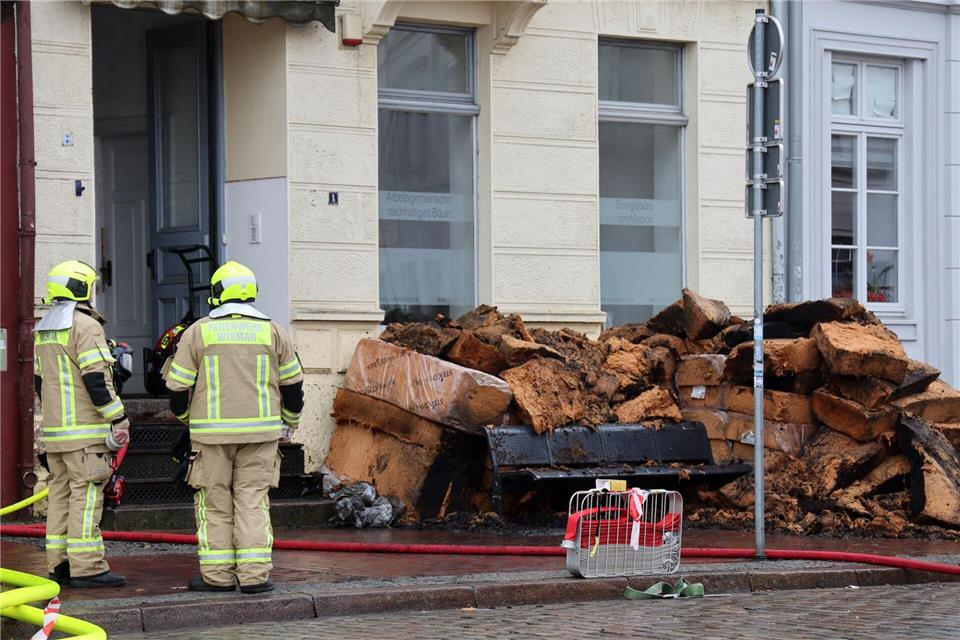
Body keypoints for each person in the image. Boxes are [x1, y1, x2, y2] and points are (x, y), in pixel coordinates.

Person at [163, 261, 304, 593]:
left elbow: (177, 388)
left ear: (216, 294)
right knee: (253, 501)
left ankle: (218, 577)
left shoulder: (199, 331)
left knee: (214, 502)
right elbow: (294, 385)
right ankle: (255, 577)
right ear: (251, 294)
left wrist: (188, 421)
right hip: (261, 435)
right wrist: (290, 422)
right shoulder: (272, 331)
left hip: (210, 437)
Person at [34, 260, 129, 588]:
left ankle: (59, 566)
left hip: (56, 434)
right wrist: (118, 417)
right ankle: (88, 568)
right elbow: (96, 380)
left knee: (60, 496)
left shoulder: (45, 328)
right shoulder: (86, 326)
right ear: (82, 288)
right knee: (87, 497)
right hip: (86, 435)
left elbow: (38, 382)